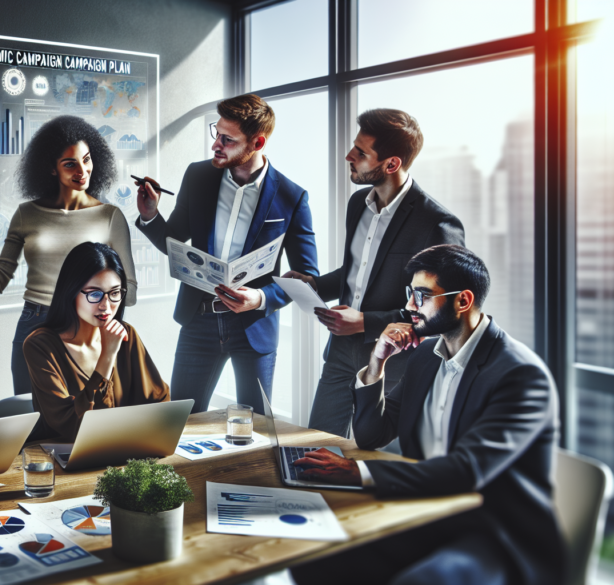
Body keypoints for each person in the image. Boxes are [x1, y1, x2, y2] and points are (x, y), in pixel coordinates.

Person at [290, 245, 562, 585]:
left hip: (492, 532)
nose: (408, 306)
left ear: (463, 301)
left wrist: (357, 472)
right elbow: (374, 435)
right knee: (313, 558)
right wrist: (377, 364)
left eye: (422, 295)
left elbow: (467, 470)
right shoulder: (426, 358)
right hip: (425, 510)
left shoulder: (519, 375)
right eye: (410, 294)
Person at [285, 108, 464, 437]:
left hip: (395, 359)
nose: (348, 156)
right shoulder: (358, 205)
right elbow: (358, 271)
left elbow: (442, 310)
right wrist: (314, 284)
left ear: (391, 164)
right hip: (340, 351)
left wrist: (366, 322)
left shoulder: (436, 224)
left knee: (376, 458)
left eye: (361, 152)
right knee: (315, 445)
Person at [136, 93, 317, 412]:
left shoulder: (292, 197)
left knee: (256, 428)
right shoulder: (198, 176)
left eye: (227, 139)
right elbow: (174, 241)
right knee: (179, 421)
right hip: (199, 321)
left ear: (257, 143)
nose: (215, 145)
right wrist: (150, 215)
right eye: (215, 133)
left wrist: (260, 299)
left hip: (254, 328)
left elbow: (307, 279)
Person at [0, 115, 138, 397]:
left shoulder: (109, 216)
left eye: (87, 159)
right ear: (51, 169)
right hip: (35, 323)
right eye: (70, 163)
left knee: (87, 413)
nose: (82, 170)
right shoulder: (27, 214)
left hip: (88, 327)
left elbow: (130, 291)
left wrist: (100, 308)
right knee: (31, 419)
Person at [23, 242, 168, 441]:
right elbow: (76, 425)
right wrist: (107, 356)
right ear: (71, 291)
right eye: (95, 294)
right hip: (66, 459)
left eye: (115, 293)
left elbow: (159, 404)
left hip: (125, 450)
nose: (106, 306)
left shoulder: (126, 336)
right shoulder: (40, 345)